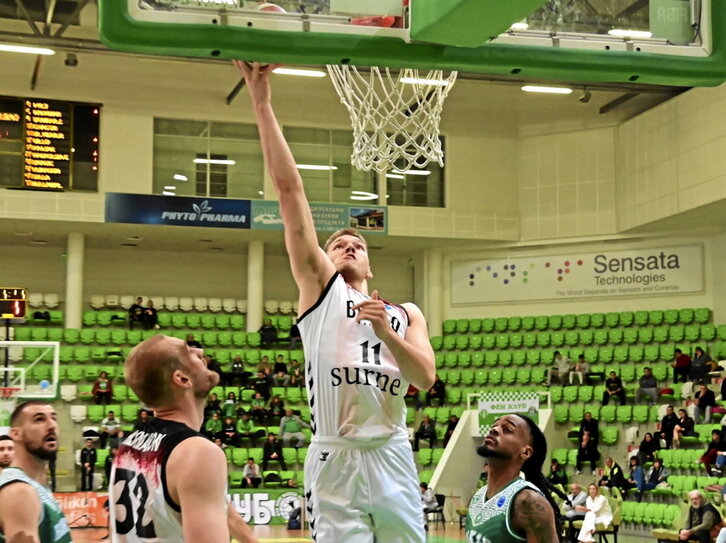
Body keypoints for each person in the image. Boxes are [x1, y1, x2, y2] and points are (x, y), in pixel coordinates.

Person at [237, 60, 436, 542]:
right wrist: (262, 101)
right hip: (334, 454)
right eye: (337, 244)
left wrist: (388, 332)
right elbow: (290, 192)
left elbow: (425, 379)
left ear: (371, 267)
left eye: (359, 245)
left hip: (391, 451)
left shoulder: (407, 313)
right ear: (323, 261)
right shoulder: (321, 293)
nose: (348, 246)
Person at [110, 335, 257, 542]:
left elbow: (224, 511)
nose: (200, 352)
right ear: (182, 379)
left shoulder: (129, 445)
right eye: (189, 351)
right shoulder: (197, 453)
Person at [467, 414, 560, 541]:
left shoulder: (529, 501)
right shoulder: (478, 497)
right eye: (494, 426)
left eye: (507, 429)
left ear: (525, 452)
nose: (494, 430)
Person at [0, 402, 71, 543]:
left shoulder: (35, 486)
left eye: (54, 418)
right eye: (39, 419)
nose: (52, 426)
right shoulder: (19, 491)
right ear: (16, 433)